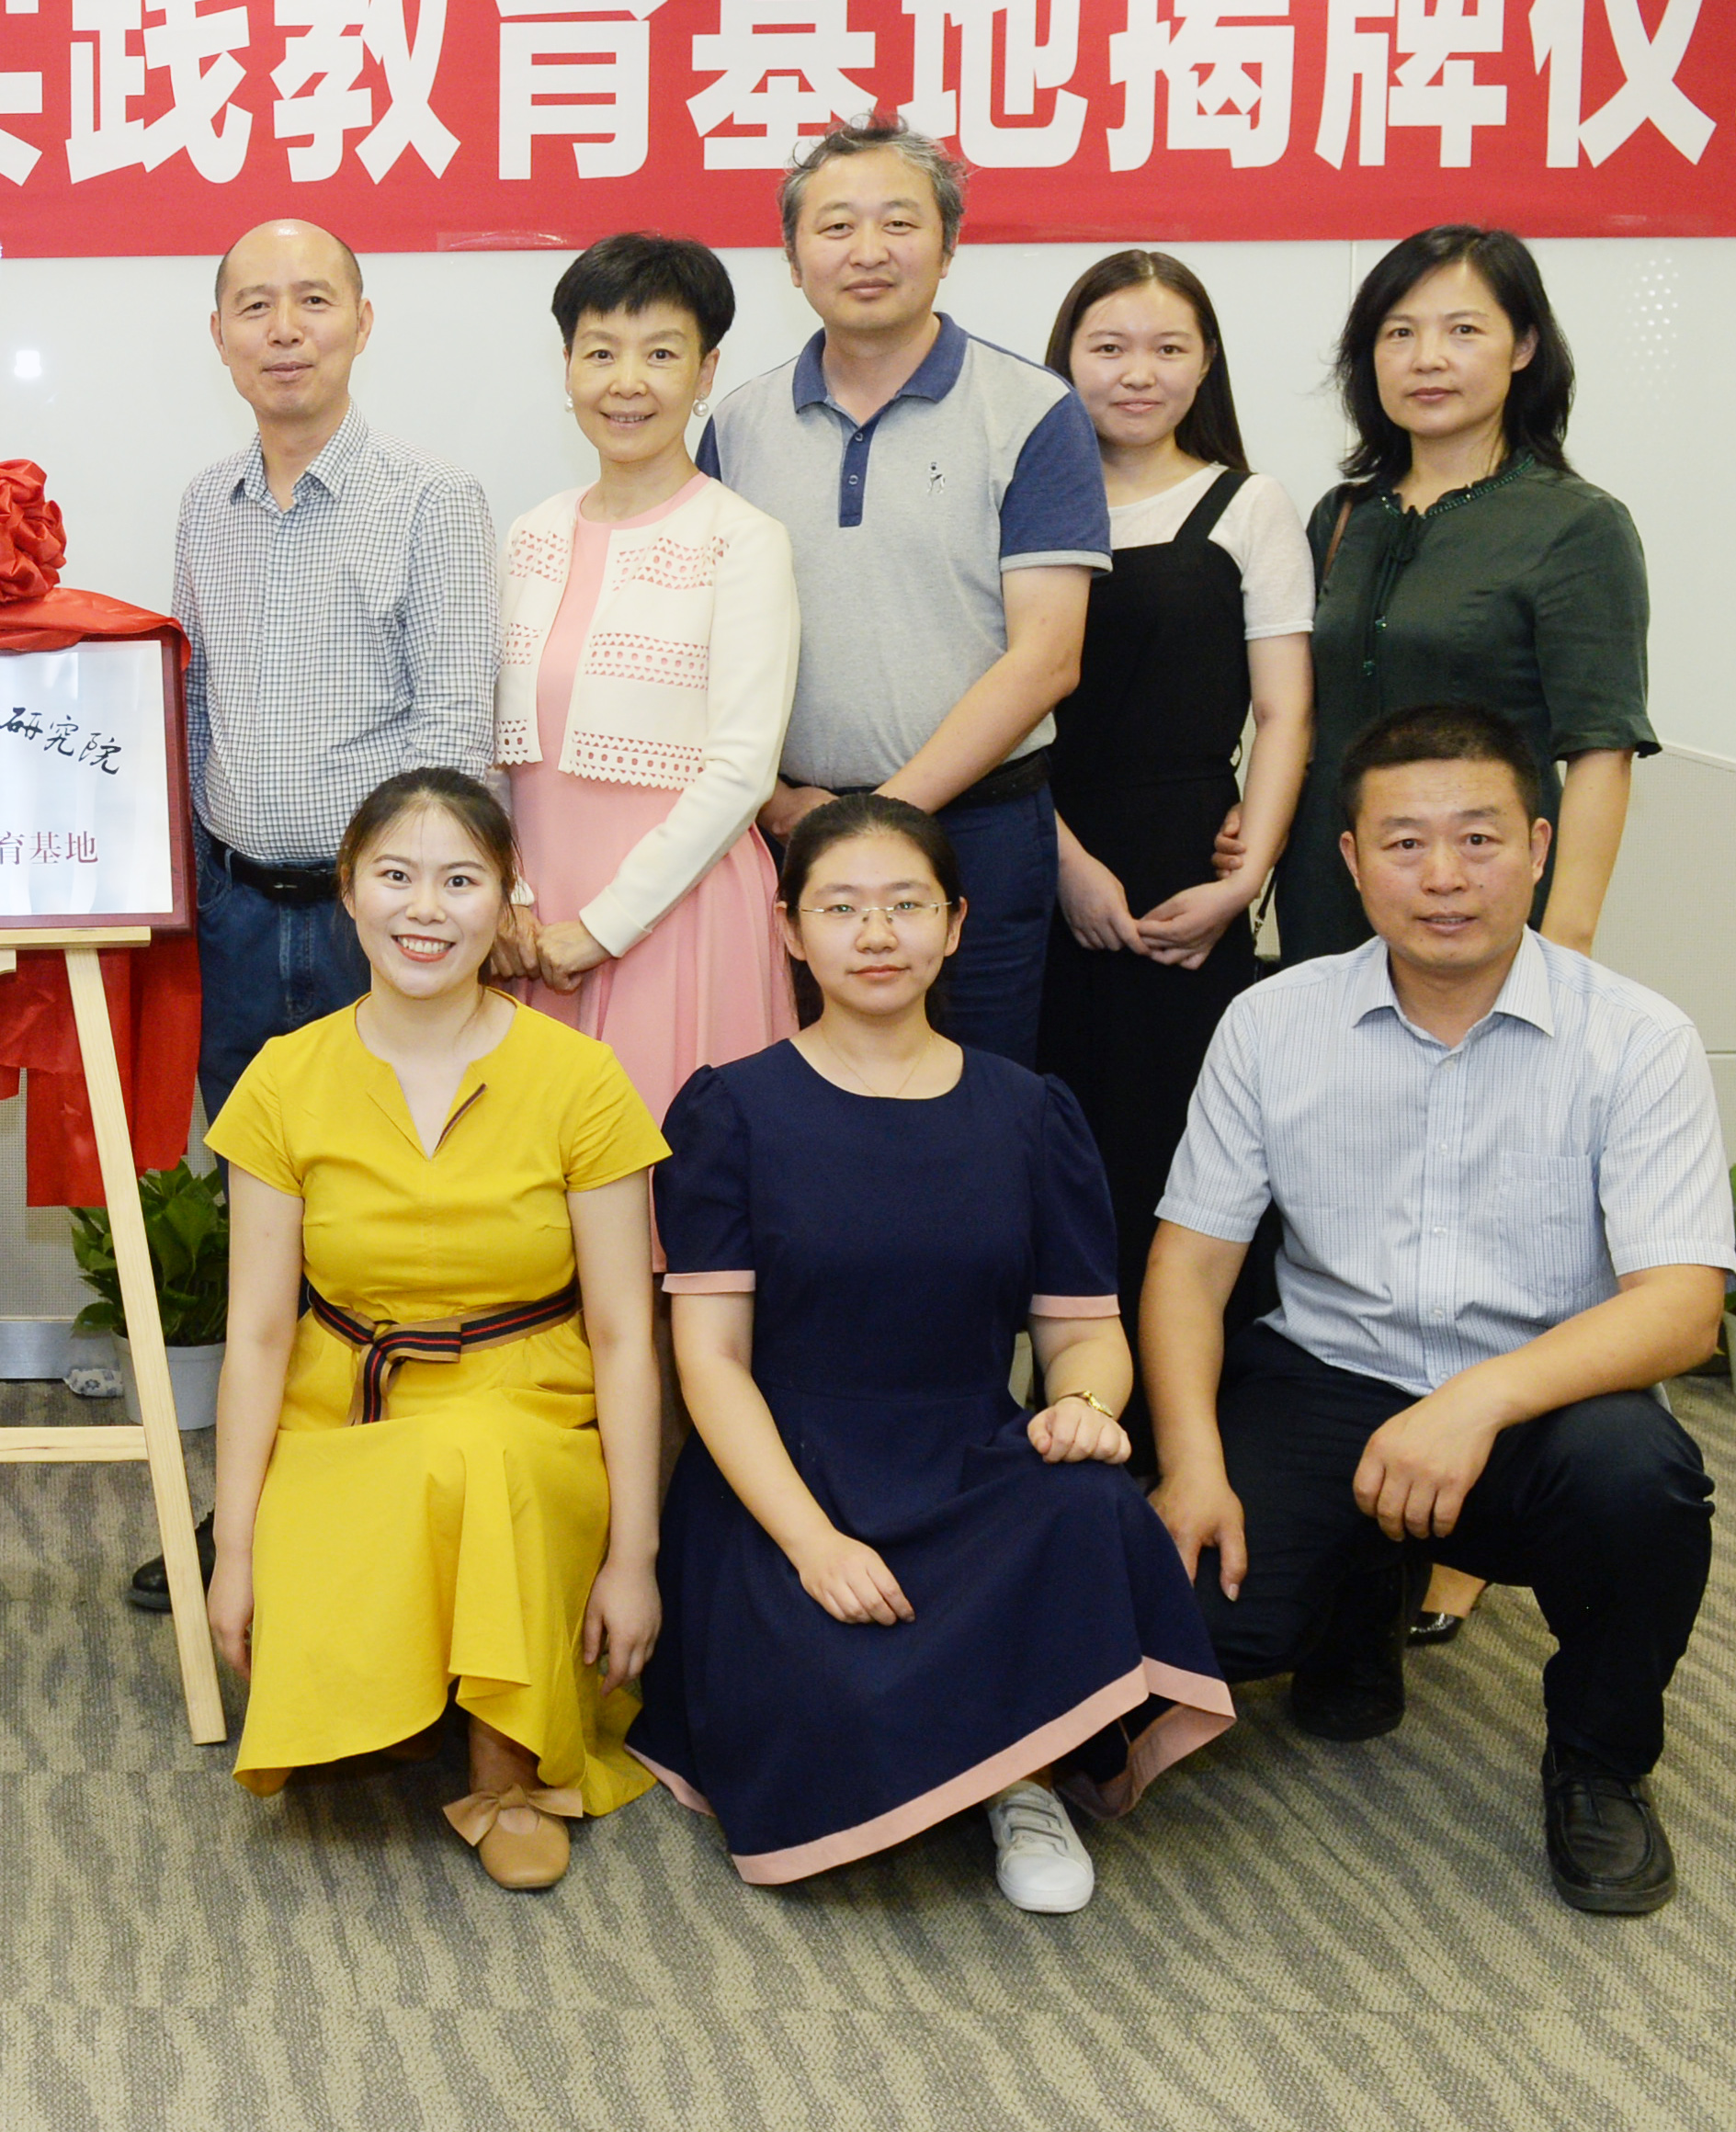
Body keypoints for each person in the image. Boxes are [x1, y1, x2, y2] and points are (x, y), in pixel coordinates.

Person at [1141, 701, 1730, 1918]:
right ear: (1351, 860)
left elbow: (1680, 1311)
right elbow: (1189, 1268)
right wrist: (1193, 1465)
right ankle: (1360, 1590)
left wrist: (1473, 1403)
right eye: (1405, 843)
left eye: (1479, 838)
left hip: (1539, 1402)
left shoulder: (1638, 1039)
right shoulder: (1273, 1021)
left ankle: (1601, 1763)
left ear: (1539, 846)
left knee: (1641, 1480)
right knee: (1196, 1627)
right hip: (1324, 1378)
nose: (1445, 876)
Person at [629, 795, 1231, 1911]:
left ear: (955, 924)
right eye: (841, 907)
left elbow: (1083, 1332)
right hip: (787, 1474)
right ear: (789, 928)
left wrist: (1085, 1403)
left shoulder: (1030, 1112)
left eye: (906, 904)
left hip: (966, 1465)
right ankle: (988, 1732)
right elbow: (708, 1360)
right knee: (840, 1697)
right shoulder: (731, 1110)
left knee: (1093, 1502)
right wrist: (812, 1543)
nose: (876, 933)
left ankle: (1026, 1779)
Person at [1264, 224, 1651, 1650]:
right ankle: (1357, 1487)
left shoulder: (1573, 522)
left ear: (1524, 348)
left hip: (1491, 914)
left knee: (1494, 1207)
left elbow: (1600, 744)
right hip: (1333, 899)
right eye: (1399, 332)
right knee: (1352, 1188)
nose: (1427, 358)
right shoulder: (1344, 514)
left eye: (1463, 328)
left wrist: (1568, 938)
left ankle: (1476, 1511)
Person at [202, 770, 667, 1892]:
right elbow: (258, 1334)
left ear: (508, 897)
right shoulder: (284, 1077)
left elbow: (623, 1331)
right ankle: (418, 1686)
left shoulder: (580, 1077)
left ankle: (509, 1769)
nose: (426, 908)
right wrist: (234, 1549)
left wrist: (635, 1558)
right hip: (349, 1399)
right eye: (396, 875)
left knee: (480, 1457)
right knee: (345, 1709)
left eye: (461, 880)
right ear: (348, 890)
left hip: (529, 1404)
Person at [139, 218, 497, 1616]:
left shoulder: (432, 500)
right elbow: (193, 710)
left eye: (311, 301)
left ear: (362, 318)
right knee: (264, 1218)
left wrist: (410, 914)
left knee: (394, 1213)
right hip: (239, 913)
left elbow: (454, 731)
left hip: (380, 929)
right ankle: (257, 1506)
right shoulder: (203, 504)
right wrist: (172, 888)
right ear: (219, 336)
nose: (283, 329)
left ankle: (386, 1499)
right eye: (253, 306)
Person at [698, 119, 1107, 1071]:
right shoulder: (739, 424)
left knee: (976, 1095)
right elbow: (704, 644)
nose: (869, 250)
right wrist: (773, 802)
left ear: (949, 245)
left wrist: (875, 820)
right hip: (786, 835)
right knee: (798, 1099)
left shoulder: (1033, 410)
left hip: (978, 832)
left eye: (899, 222)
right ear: (792, 259)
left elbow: (1048, 657)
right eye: (837, 226)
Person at [1031, 252, 1313, 1315]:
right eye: (1108, 346)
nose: (1137, 372)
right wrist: (1063, 861)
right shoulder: (1022, 503)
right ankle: (1071, 1381)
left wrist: (1246, 878)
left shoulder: (1250, 503)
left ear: (1207, 363)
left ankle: (1193, 1389)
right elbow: (1001, 703)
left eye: (1167, 347)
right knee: (1057, 1135)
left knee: (1193, 1140)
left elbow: (1285, 711)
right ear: (1067, 358)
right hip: (1038, 843)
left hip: (1192, 861)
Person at [491, 233, 798, 1117]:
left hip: (677, 916)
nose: (627, 382)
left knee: (673, 1164)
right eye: (600, 353)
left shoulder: (742, 540)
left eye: (661, 354)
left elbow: (742, 771)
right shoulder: (528, 534)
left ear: (706, 373)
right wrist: (507, 898)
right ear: (567, 367)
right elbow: (488, 747)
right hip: (528, 925)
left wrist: (604, 927)